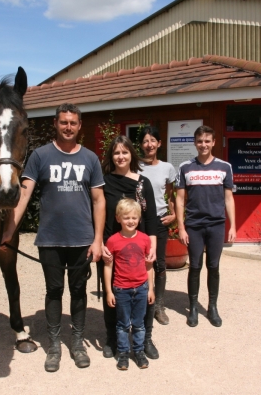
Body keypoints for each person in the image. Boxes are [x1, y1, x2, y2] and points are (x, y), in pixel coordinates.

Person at [1, 103, 106, 372]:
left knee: (79, 291)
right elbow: (24, 195)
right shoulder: (40, 156)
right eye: (63, 122)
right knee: (54, 291)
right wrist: (8, 232)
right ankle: (55, 345)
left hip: (82, 239)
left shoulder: (90, 159)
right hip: (50, 239)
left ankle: (79, 342)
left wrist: (97, 240)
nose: (68, 127)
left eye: (73, 122)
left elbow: (98, 201)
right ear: (55, 124)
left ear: (80, 125)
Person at [99, 136, 159, 359]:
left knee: (145, 293)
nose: (121, 157)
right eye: (116, 153)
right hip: (112, 246)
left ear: (132, 154)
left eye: (125, 152)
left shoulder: (143, 183)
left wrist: (152, 247)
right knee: (114, 293)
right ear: (111, 157)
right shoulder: (104, 182)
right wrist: (100, 243)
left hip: (141, 246)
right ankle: (112, 338)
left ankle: (146, 339)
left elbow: (151, 218)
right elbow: (97, 213)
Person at [175, 125, 236, 328]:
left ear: (214, 142)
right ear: (195, 142)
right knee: (194, 266)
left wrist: (233, 226)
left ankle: (212, 307)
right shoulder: (186, 167)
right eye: (200, 141)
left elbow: (229, 198)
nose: (203, 145)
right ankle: (192, 307)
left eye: (207, 141)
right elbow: (180, 199)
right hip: (194, 225)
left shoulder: (224, 167)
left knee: (214, 266)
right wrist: (181, 228)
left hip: (216, 224)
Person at [104, 198, 155, 370]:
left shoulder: (145, 239)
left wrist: (150, 289)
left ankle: (139, 352)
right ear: (118, 218)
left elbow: (149, 266)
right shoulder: (112, 241)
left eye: (134, 217)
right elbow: (108, 266)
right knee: (123, 324)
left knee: (139, 324)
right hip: (121, 289)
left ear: (139, 219)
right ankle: (123, 353)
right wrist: (109, 291)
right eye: (126, 217)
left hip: (141, 288)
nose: (131, 221)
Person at [138, 125, 177, 325]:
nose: (149, 144)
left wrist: (175, 214)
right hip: (138, 222)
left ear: (159, 143)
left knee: (159, 264)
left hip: (160, 221)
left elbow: (170, 195)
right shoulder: (134, 166)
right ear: (141, 145)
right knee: (140, 264)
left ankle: (158, 306)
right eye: (145, 141)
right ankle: (141, 303)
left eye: (153, 140)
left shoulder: (167, 168)